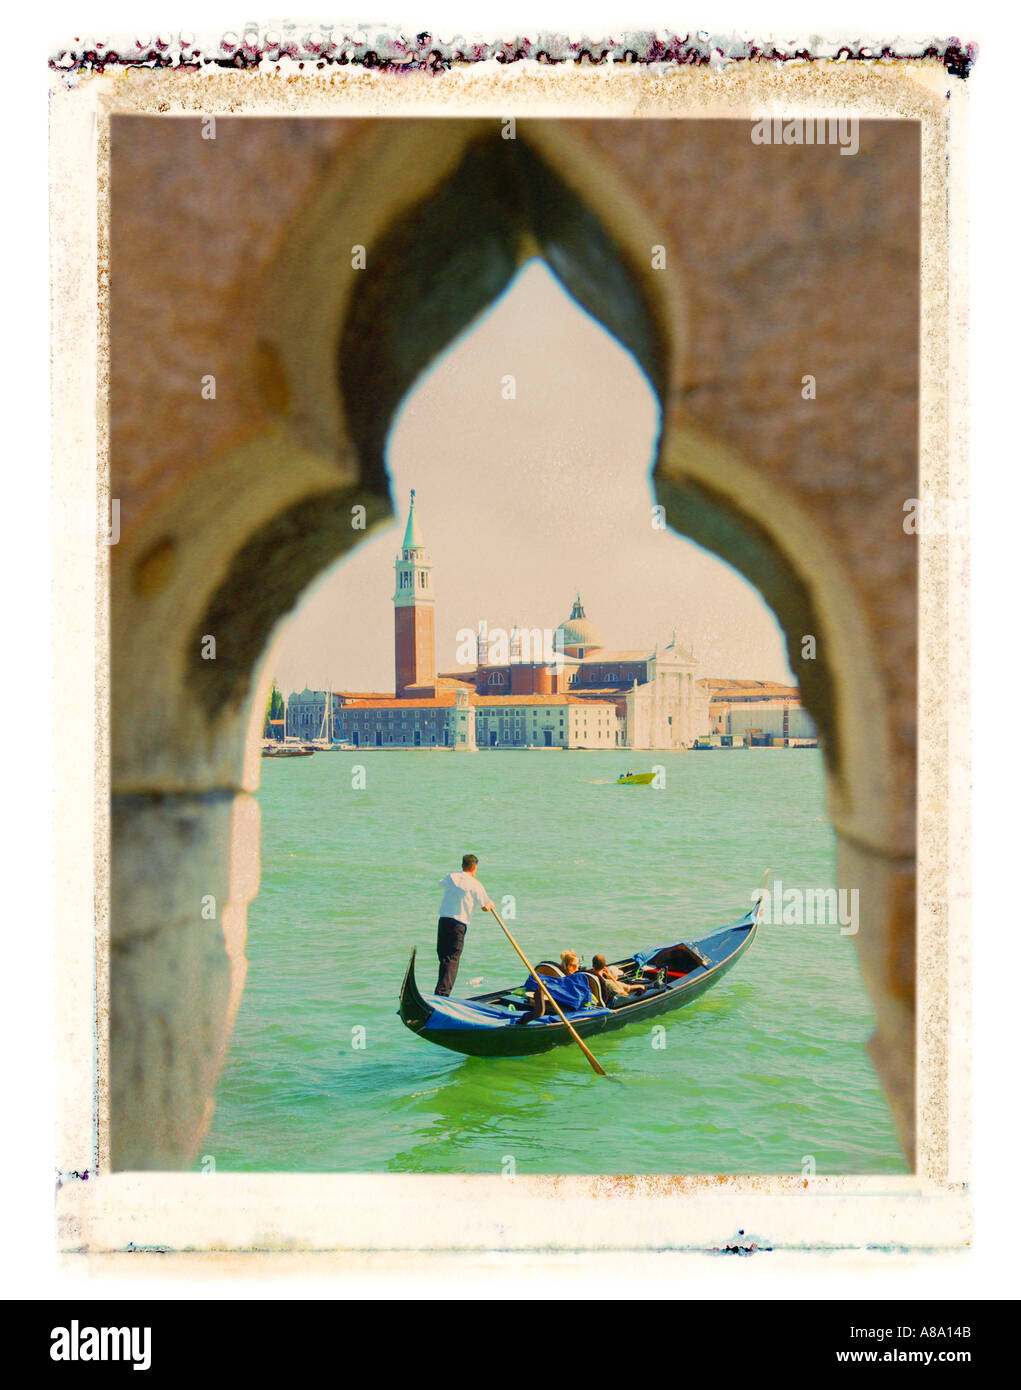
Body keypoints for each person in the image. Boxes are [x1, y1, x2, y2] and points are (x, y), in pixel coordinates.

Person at [434, 854, 494, 996]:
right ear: (474, 867)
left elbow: (440, 883)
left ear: (462, 866)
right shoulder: (475, 884)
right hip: (458, 924)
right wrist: (491, 904)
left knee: (444, 957)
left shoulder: (451, 877)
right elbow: (485, 907)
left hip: (443, 920)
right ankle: (442, 994)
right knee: (452, 959)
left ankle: (440, 991)